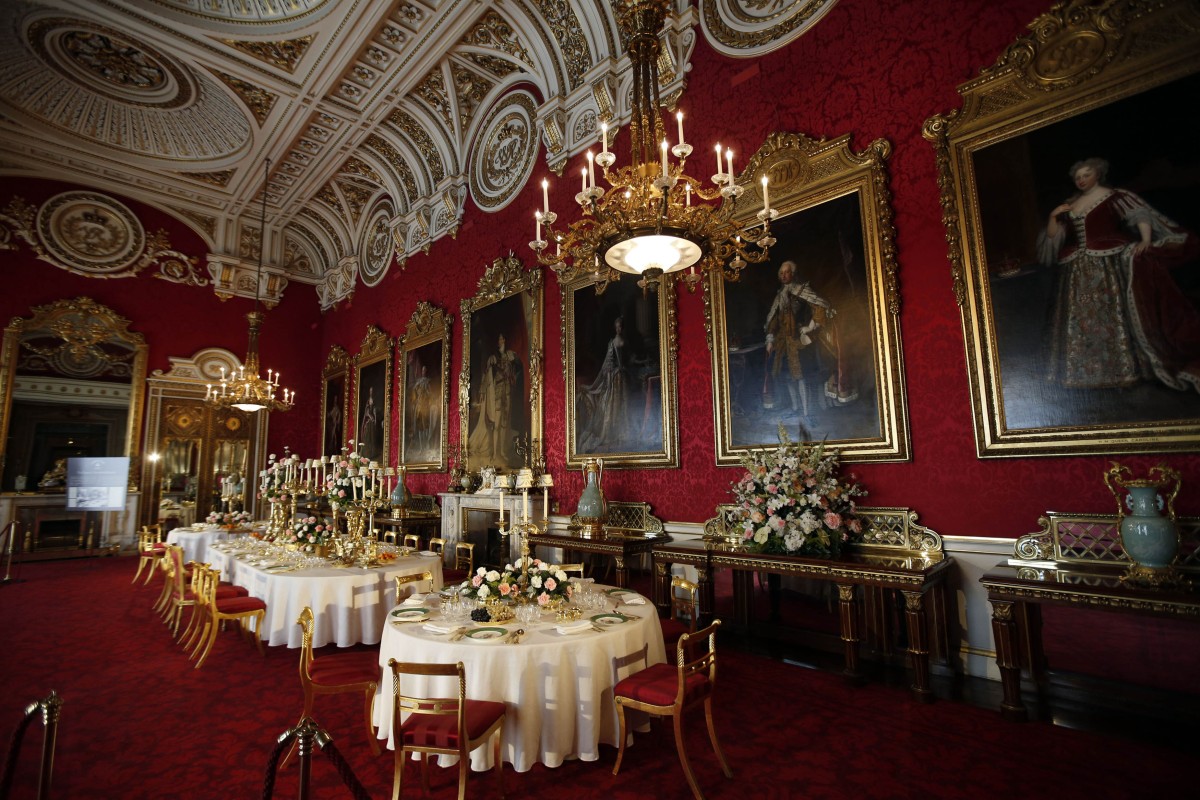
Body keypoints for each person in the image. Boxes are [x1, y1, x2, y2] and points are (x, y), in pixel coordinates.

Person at [1038, 157, 1200, 392]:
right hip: (1075, 271)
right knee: (1079, 320)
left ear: (1098, 174)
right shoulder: (1070, 204)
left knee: (1111, 315)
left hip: (1107, 265)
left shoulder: (1115, 196)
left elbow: (1140, 216)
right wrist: (1053, 216)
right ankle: (1082, 374)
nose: (1082, 180)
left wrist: (1145, 240)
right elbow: (1054, 236)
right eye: (1078, 177)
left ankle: (1123, 371)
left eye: (1086, 175)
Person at [764, 260, 836, 418]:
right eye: (781, 273)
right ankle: (796, 408)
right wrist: (770, 339)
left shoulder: (803, 290)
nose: (784, 276)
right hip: (783, 343)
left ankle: (806, 412)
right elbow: (774, 319)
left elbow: (820, 307)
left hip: (800, 342)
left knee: (801, 377)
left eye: (787, 272)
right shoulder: (780, 295)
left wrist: (810, 327)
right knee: (788, 377)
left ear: (793, 273)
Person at [577, 316, 641, 452]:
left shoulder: (625, 341)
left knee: (625, 404)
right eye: (617, 326)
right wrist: (611, 373)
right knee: (613, 405)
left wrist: (638, 361)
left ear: (623, 327)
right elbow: (608, 363)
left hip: (623, 377)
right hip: (615, 378)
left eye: (621, 326)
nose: (619, 328)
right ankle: (613, 433)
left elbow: (630, 358)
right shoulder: (612, 343)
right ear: (615, 327)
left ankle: (624, 433)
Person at [468, 333, 522, 463]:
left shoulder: (510, 355)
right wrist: (482, 390)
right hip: (497, 393)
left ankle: (502, 451)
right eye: (499, 339)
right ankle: (494, 453)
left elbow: (518, 371)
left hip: (507, 392)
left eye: (502, 338)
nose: (501, 340)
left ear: (505, 340)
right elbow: (486, 376)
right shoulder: (493, 358)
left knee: (504, 423)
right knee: (496, 425)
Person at [358, 386, 380, 460]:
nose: (371, 392)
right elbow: (366, 412)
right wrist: (371, 417)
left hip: (371, 422)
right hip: (368, 421)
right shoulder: (368, 401)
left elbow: (374, 411)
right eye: (370, 390)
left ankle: (372, 453)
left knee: (372, 437)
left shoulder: (374, 400)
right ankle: (366, 454)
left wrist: (374, 418)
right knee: (367, 437)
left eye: (372, 390)